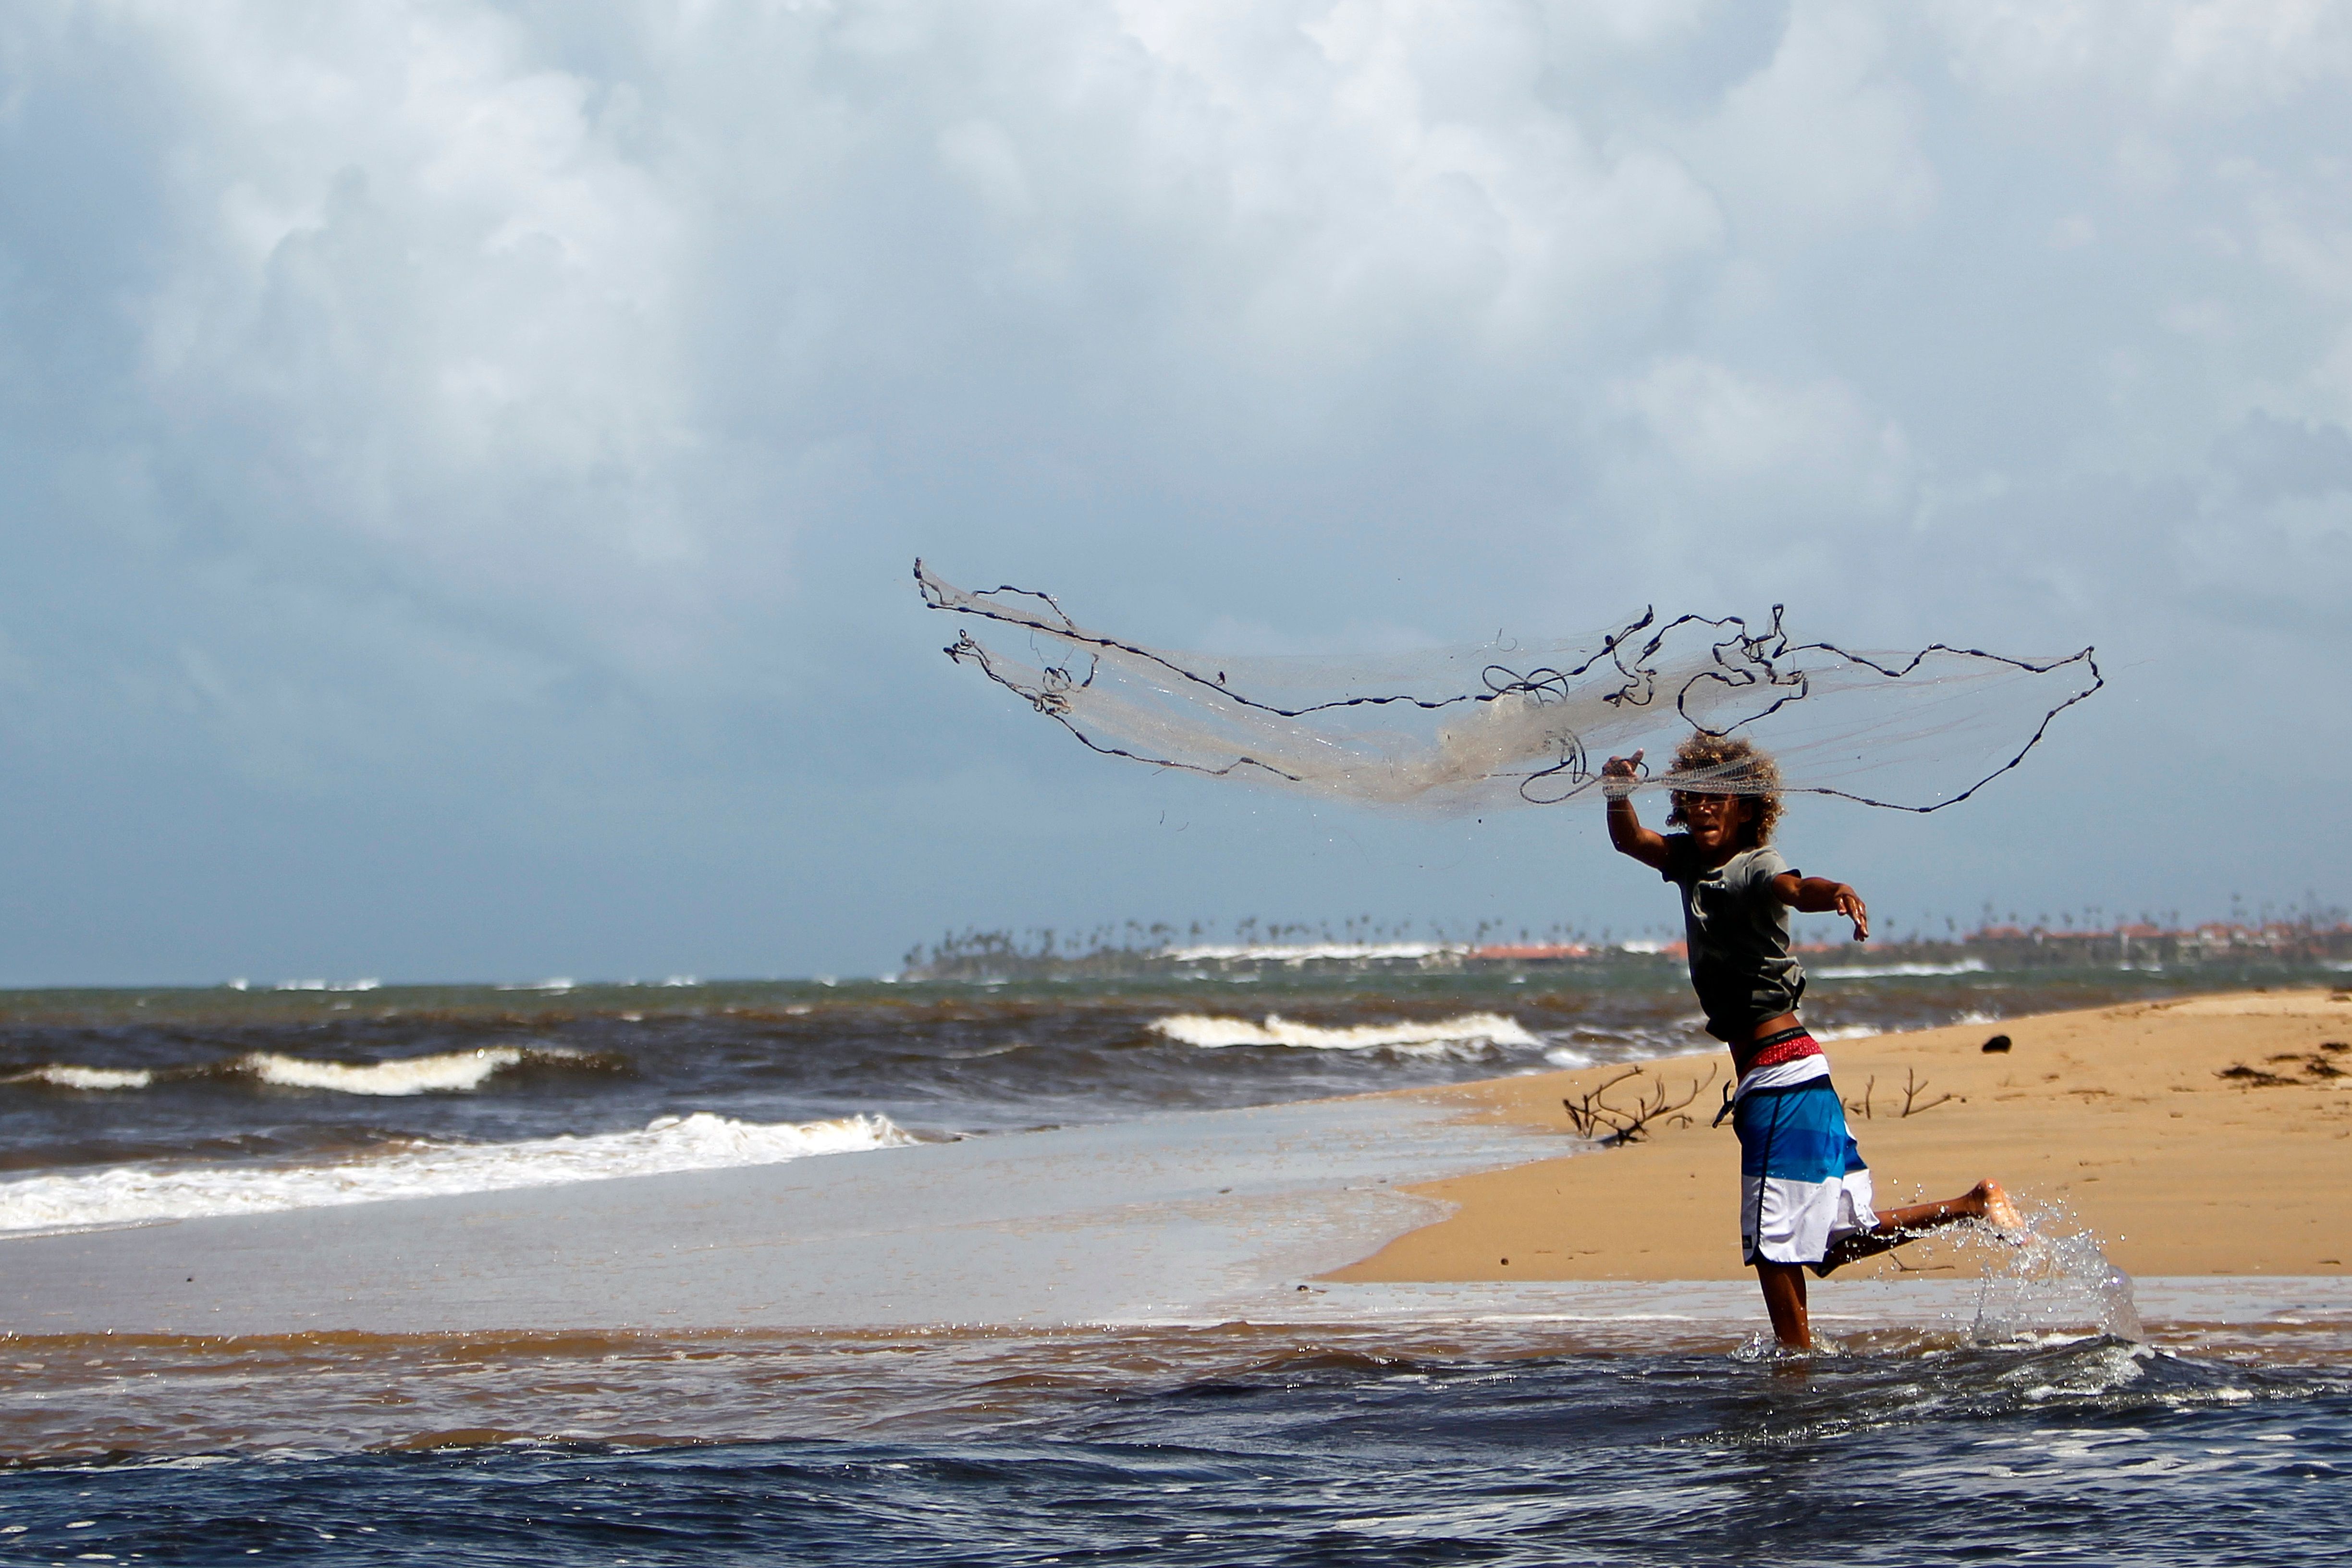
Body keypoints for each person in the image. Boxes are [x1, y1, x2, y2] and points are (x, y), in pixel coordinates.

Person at [1602, 733, 2023, 1350]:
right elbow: (1629, 840)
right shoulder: (1689, 860)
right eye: (1693, 797)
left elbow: (1798, 889)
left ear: (1747, 807)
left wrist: (1839, 894)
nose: (1704, 808)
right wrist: (1616, 792)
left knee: (1773, 1249)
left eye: (1720, 798)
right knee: (1830, 1243)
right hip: (1793, 1076)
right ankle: (1972, 1205)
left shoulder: (1757, 864)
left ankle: (1795, 1378)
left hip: (1781, 1076)